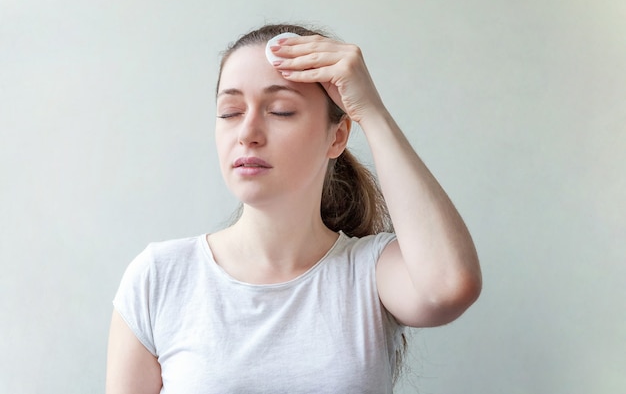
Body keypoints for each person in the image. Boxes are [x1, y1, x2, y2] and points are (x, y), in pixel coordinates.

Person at [106, 23, 482, 394]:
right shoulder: (159, 278)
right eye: (230, 111)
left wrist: (372, 113)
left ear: (336, 137)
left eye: (281, 111)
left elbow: (449, 287)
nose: (248, 132)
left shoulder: (370, 272)